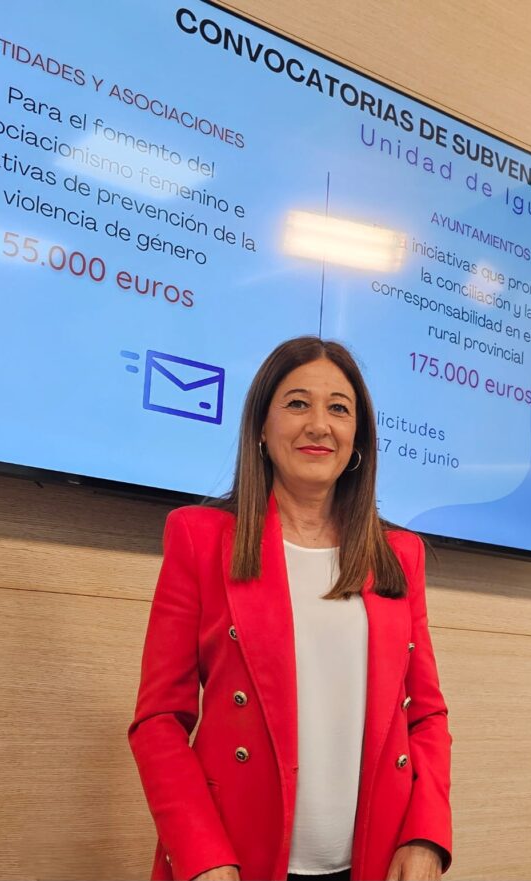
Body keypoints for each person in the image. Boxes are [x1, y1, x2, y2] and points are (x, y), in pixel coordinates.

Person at [128, 336, 453, 881]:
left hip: (374, 862)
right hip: (234, 861)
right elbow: (159, 720)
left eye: (339, 409)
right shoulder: (199, 539)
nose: (319, 425)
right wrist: (203, 856)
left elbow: (425, 714)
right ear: (261, 426)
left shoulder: (399, 556)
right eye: (298, 403)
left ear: (358, 439)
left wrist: (426, 834)